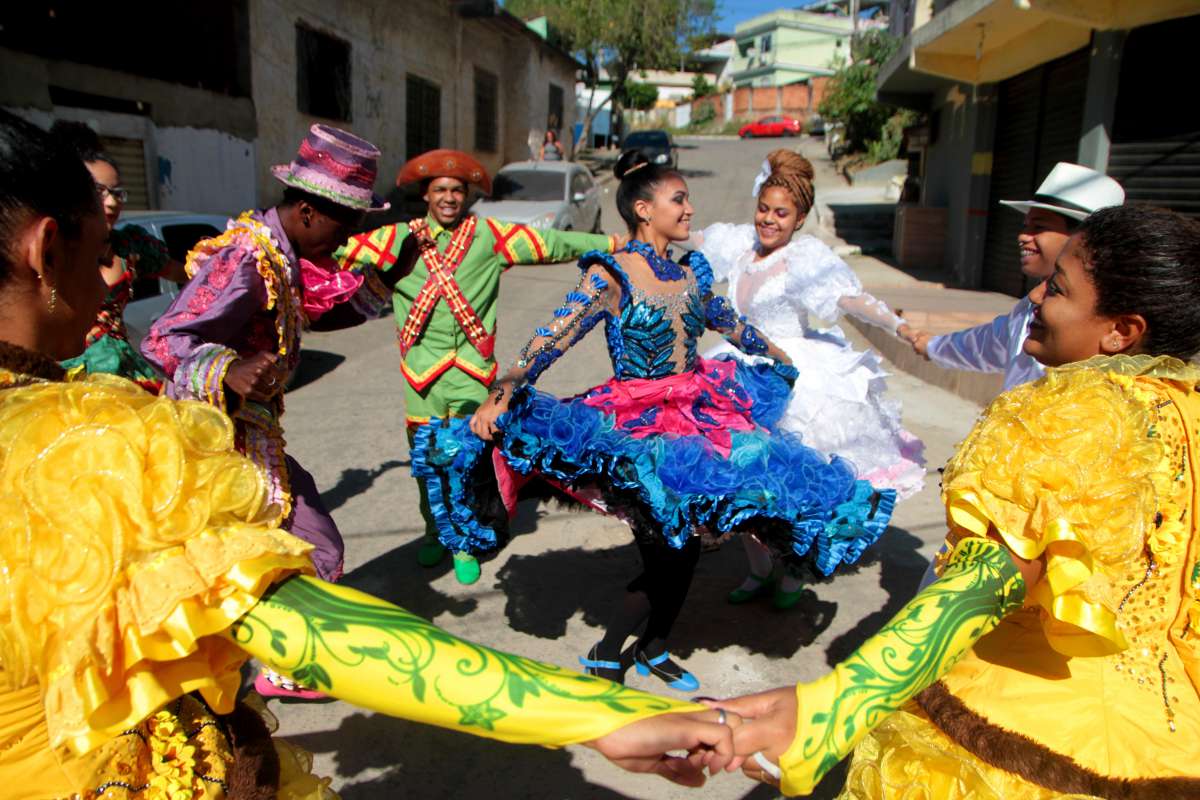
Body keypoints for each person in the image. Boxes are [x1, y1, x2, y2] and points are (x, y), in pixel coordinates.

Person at [0, 108, 742, 800]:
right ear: (46, 248)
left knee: (336, 529)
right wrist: (587, 713)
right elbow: (314, 622)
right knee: (317, 545)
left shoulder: (405, 248)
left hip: (432, 391)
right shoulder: (79, 443)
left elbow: (352, 299)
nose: (110, 290)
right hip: (84, 749)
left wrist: (385, 290)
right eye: (99, 259)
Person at [713, 204, 1200, 798]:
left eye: (1060, 288)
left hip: (1026, 738)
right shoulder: (1186, 411)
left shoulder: (1072, 412)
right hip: (1167, 746)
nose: (1039, 296)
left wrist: (835, 706)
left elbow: (992, 577)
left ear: (1120, 331)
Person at [413, 149, 896, 694]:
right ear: (644, 210)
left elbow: (724, 319)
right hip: (636, 426)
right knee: (671, 545)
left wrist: (777, 356)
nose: (690, 210)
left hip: (698, 413)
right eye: (679, 199)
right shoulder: (611, 274)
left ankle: (654, 647)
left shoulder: (692, 271)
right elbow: (553, 335)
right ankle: (607, 651)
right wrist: (504, 391)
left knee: (687, 541)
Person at [140, 124, 404, 699]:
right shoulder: (244, 256)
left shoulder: (279, 253)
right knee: (298, 546)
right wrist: (225, 371)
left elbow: (314, 312)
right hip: (215, 443)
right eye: (345, 224)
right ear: (308, 211)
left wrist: (389, 279)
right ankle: (247, 672)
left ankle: (254, 667)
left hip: (251, 432)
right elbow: (163, 340)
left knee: (294, 550)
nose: (348, 238)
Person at [336, 148, 620, 585]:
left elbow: (553, 243)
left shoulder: (489, 236)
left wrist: (612, 244)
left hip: (473, 376)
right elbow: (335, 250)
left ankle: (466, 539)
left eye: (456, 190)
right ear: (426, 196)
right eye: (440, 190)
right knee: (428, 461)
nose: (449, 197)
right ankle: (435, 532)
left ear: (465, 195)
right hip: (421, 379)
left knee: (472, 461)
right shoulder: (395, 240)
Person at [699, 150, 924, 610]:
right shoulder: (738, 245)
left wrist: (899, 327)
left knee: (789, 488)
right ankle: (758, 569)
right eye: (764, 209)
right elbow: (690, 236)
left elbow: (851, 299)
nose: (768, 220)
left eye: (781, 213)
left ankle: (790, 573)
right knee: (742, 481)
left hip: (790, 378)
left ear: (799, 219)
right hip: (737, 375)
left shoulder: (803, 259)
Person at [901, 162, 1125, 391]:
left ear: (1081, 238)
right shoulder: (1027, 309)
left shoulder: (1104, 320)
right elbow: (983, 344)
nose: (1022, 236)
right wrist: (933, 346)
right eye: (1025, 225)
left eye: (1038, 227)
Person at [49, 120, 187, 390]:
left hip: (124, 375)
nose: (112, 202)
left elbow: (181, 273)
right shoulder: (49, 250)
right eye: (99, 191)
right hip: (68, 383)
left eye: (117, 192)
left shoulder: (128, 245)